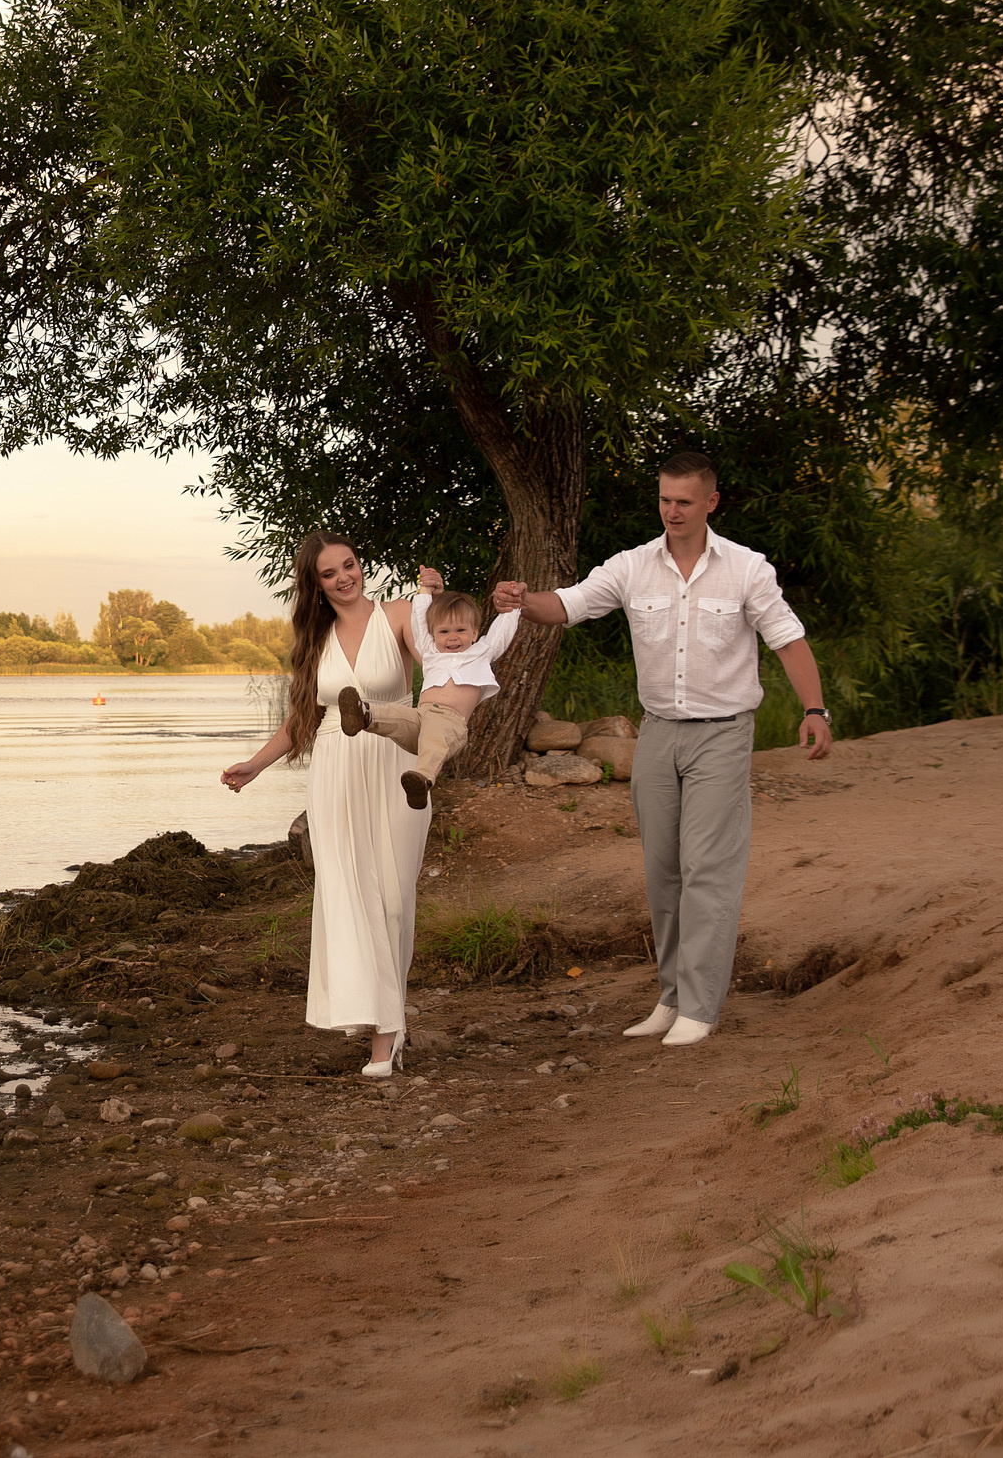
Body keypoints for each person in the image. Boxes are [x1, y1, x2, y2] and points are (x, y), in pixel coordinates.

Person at [494, 452, 832, 1048]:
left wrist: (814, 710)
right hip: (657, 734)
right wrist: (523, 600)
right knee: (663, 872)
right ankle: (672, 997)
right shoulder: (632, 566)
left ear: (710, 502)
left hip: (722, 734)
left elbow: (787, 639)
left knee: (707, 869)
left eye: (684, 501)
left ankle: (701, 1006)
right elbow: (568, 605)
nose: (672, 511)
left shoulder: (747, 569)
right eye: (664, 500)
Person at [222, 533, 434, 1078]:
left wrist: (432, 602)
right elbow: (303, 718)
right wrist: (256, 764)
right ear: (315, 585)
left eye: (350, 565)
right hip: (336, 774)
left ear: (361, 565)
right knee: (349, 897)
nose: (344, 578)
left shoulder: (399, 615)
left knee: (392, 901)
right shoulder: (317, 640)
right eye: (330, 573)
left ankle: (389, 1022)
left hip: (394, 764)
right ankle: (382, 1030)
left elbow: (443, 665)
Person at [335, 571, 522, 809]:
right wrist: (424, 589)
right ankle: (363, 715)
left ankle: (422, 780)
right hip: (420, 716)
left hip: (450, 724)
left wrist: (513, 606)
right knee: (397, 714)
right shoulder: (430, 652)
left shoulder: (481, 653)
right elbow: (419, 620)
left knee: (435, 735)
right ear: (434, 634)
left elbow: (501, 634)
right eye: (444, 632)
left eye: (460, 630)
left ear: (475, 633)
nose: (452, 638)